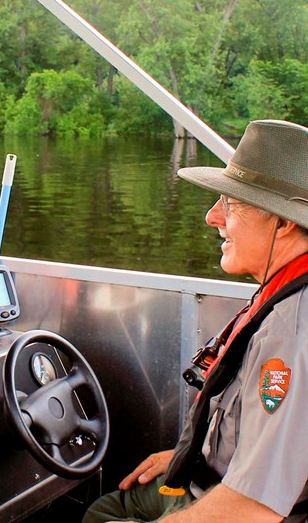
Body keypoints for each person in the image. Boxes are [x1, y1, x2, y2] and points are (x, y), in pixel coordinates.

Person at [83, 119, 308, 523]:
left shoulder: (291, 332)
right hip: (211, 475)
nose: (211, 217)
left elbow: (254, 509)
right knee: (108, 507)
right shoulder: (282, 290)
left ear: (284, 222)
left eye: (231, 203)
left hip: (242, 505)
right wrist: (189, 455)